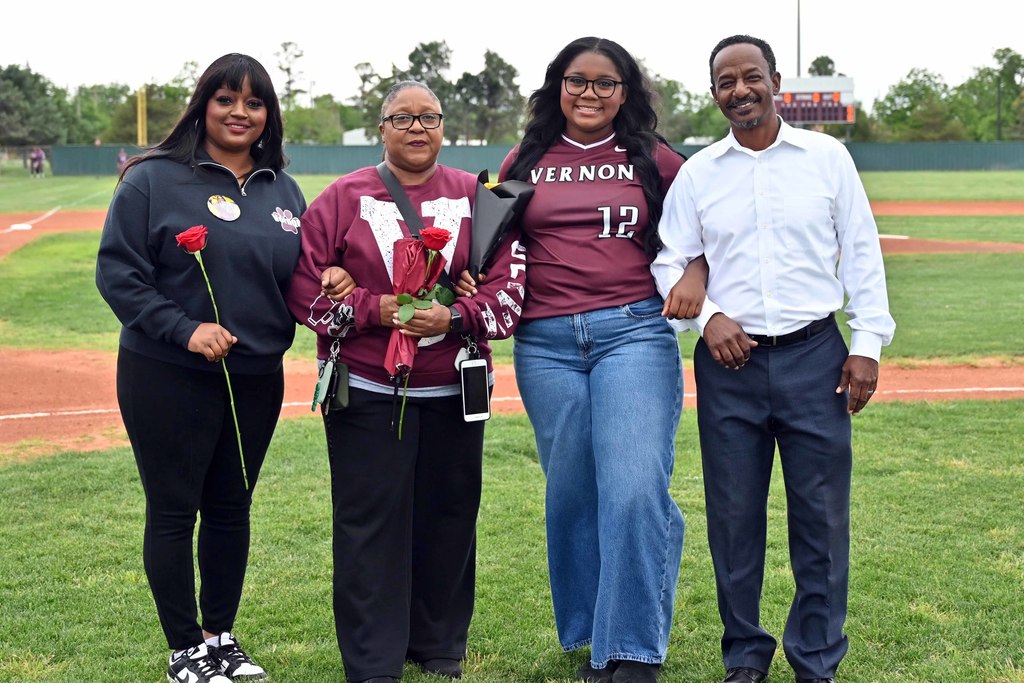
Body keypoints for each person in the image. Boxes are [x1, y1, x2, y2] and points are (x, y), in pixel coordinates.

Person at [458, 36, 706, 683]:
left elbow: (708, 225)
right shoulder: (526, 157)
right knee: (572, 493)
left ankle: (633, 650)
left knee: (632, 487)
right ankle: (594, 635)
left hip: (633, 332)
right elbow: (487, 245)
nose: (589, 93)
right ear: (557, 86)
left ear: (625, 91)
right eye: (577, 80)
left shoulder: (656, 159)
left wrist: (699, 272)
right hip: (545, 345)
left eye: (604, 82)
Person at [651, 35, 896, 683]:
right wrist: (708, 318)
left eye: (750, 76)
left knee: (820, 519)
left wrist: (866, 343)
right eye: (726, 81)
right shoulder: (700, 173)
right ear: (714, 94)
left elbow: (863, 252)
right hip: (730, 367)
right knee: (734, 519)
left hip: (816, 355)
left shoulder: (827, 157)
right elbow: (669, 262)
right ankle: (745, 656)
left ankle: (816, 658)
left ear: (775, 81)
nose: (740, 90)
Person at [284, 80, 526, 683]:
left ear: (443, 127)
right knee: (371, 523)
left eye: (429, 118)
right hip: (367, 389)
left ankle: (439, 645)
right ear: (382, 127)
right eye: (403, 118)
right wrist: (374, 308)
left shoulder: (479, 196)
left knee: (449, 516)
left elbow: (510, 286)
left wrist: (460, 313)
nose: (417, 128)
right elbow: (302, 288)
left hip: (454, 389)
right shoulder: (343, 197)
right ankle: (374, 659)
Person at [95, 53, 305, 683]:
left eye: (254, 102)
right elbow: (119, 274)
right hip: (167, 372)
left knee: (231, 506)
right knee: (173, 509)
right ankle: (185, 648)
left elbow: (296, 278)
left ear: (269, 114)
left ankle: (221, 639)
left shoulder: (283, 188)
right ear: (203, 104)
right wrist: (184, 329)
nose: (240, 112)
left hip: (256, 377)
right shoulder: (152, 179)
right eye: (226, 99)